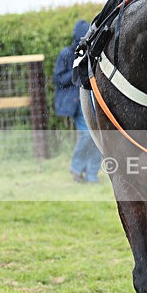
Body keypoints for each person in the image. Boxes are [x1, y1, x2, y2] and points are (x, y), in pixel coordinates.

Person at [53, 20, 102, 183]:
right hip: (76, 104)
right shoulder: (66, 54)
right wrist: (76, 70)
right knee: (89, 135)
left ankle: (91, 175)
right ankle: (76, 168)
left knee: (98, 137)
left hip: (91, 100)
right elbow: (58, 78)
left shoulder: (91, 52)